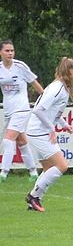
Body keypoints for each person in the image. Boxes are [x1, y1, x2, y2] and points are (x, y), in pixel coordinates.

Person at [24, 58, 73, 212]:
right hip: (38, 132)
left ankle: (34, 200)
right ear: (70, 72)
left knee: (49, 168)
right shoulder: (57, 88)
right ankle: (33, 196)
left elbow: (52, 111)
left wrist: (64, 124)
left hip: (39, 131)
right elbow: (38, 110)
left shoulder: (62, 88)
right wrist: (51, 129)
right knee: (62, 166)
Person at [0, 39, 44, 182]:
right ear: (1, 52)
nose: (10, 53)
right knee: (21, 141)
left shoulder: (20, 66)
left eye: (12, 50)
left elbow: (34, 83)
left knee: (8, 139)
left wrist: (45, 98)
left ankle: (3, 173)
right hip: (8, 110)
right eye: (7, 50)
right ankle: (33, 172)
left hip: (22, 109)